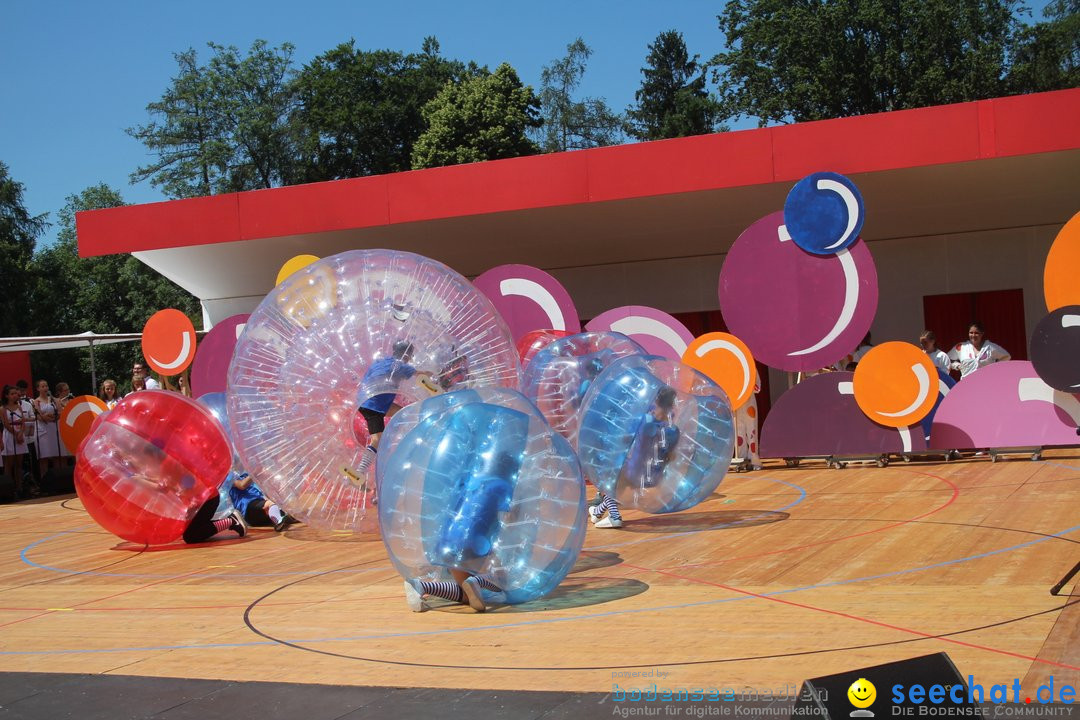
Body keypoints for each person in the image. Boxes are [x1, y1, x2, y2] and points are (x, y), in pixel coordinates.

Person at [590, 386, 680, 529]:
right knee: (618, 482)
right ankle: (597, 511)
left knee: (606, 474)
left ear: (656, 401)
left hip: (635, 473)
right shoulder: (674, 430)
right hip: (654, 478)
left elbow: (624, 440)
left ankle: (614, 517)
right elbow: (672, 456)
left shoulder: (645, 421)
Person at [355, 341, 428, 473]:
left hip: (366, 400)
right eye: (410, 356)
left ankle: (412, 443)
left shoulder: (380, 362)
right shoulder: (401, 366)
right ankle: (359, 472)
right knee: (377, 439)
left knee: (405, 413)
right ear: (407, 355)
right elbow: (422, 375)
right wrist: (437, 375)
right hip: (374, 405)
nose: (409, 359)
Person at [226, 470, 298, 532]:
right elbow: (242, 485)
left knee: (289, 515)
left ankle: (283, 518)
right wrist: (254, 472)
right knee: (270, 505)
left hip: (259, 511)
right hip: (248, 509)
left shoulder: (246, 474)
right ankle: (279, 521)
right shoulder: (229, 476)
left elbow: (264, 492)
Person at [1, 385, 28, 499]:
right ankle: (8, 488)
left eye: (15, 393)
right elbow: (6, 424)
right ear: (6, 395)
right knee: (9, 463)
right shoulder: (3, 409)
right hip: (10, 435)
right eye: (11, 394)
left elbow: (23, 421)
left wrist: (21, 433)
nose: (14, 395)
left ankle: (19, 487)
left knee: (19, 463)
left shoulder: (19, 406)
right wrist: (16, 434)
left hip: (20, 435)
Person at [32, 380, 62, 480]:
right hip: (42, 431)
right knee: (43, 458)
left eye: (46, 386)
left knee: (56, 456)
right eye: (43, 386)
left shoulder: (54, 400)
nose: (45, 388)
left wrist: (51, 417)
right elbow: (40, 417)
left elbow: (60, 414)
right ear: (38, 389)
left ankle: (58, 480)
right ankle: (44, 481)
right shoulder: (36, 401)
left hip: (53, 429)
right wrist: (48, 417)